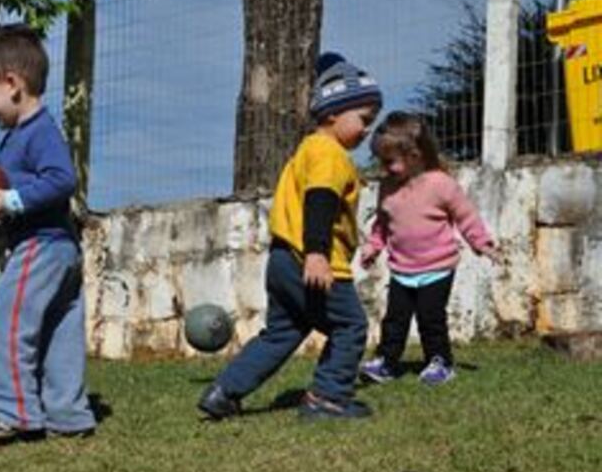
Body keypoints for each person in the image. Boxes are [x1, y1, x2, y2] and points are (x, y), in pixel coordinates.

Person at [197, 53, 381, 421]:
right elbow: (320, 201)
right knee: (350, 326)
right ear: (332, 112)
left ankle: (224, 391)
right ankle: (327, 399)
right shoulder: (329, 154)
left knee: (283, 332)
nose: (366, 130)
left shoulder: (306, 151)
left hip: (282, 260)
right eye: (363, 120)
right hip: (312, 259)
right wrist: (317, 254)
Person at [0, 23, 96, 446]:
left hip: (41, 246)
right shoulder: (20, 135)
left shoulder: (37, 130)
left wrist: (12, 202)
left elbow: (62, 180)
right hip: (60, 248)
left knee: (3, 325)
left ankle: (16, 413)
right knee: (60, 333)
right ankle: (69, 416)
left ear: (12, 83)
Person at [359, 111, 499, 386]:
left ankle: (441, 362)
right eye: (381, 161)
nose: (384, 168)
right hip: (402, 268)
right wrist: (373, 247)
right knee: (394, 320)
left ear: (415, 155)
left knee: (430, 318)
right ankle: (386, 362)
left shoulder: (440, 184)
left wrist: (482, 244)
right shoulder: (387, 187)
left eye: (390, 161)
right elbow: (382, 223)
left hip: (437, 267)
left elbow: (465, 215)